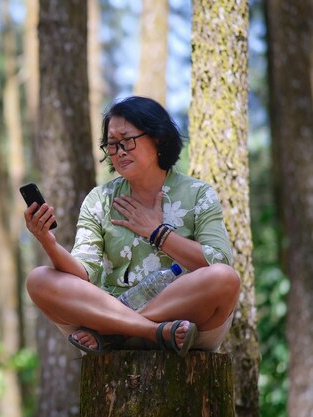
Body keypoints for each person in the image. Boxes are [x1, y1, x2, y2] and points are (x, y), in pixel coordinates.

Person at [23, 96, 240, 357]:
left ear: (157, 138)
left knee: (225, 279)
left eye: (127, 141)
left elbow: (219, 260)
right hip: (134, 317)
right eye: (112, 145)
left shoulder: (198, 194)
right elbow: (83, 275)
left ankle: (116, 333)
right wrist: (47, 240)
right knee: (38, 279)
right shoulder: (99, 199)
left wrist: (158, 233)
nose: (119, 151)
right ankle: (148, 330)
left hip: (183, 321)